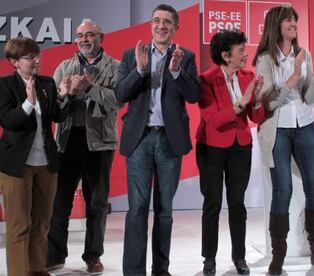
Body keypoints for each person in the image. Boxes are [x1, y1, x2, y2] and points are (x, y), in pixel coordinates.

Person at [115, 4, 201, 276]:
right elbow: (120, 94)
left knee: (165, 211)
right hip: (139, 140)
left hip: (168, 141)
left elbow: (194, 95)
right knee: (137, 209)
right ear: (151, 25)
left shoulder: (185, 56)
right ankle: (133, 272)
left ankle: (160, 270)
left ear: (176, 27)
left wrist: (176, 72)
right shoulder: (132, 55)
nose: (161, 26)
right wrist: (139, 70)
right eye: (156, 21)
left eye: (167, 22)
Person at [252, 6, 314, 275]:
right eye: (288, 19)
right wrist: (293, 77)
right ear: (276, 23)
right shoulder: (265, 58)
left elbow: (309, 98)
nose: (293, 23)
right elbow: (268, 102)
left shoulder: (305, 54)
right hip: (279, 130)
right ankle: (278, 255)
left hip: (305, 125)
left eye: (294, 19)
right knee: (283, 190)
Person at [47, 21, 121, 274]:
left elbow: (117, 102)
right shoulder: (64, 66)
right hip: (67, 142)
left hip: (100, 143)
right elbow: (53, 108)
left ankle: (93, 256)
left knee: (97, 203)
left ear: (101, 37)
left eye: (90, 34)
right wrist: (64, 94)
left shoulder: (115, 67)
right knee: (59, 203)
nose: (84, 39)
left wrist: (90, 88)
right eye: (80, 35)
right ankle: (54, 255)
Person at [196, 29, 265, 275]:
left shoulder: (248, 76)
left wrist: (256, 101)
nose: (245, 55)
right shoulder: (206, 80)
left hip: (241, 148)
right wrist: (242, 101)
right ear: (226, 56)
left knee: (237, 204)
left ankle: (240, 257)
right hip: (211, 148)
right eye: (240, 51)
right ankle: (209, 259)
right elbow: (213, 120)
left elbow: (255, 117)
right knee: (212, 203)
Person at [0, 37, 69, 276]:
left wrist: (62, 97)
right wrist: (29, 103)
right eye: (30, 57)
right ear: (14, 62)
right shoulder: (5, 86)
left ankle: (37, 269)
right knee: (20, 226)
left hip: (46, 163)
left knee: (41, 223)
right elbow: (9, 121)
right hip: (17, 165)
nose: (36, 60)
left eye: (37, 55)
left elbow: (57, 117)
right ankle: (19, 273)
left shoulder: (47, 83)